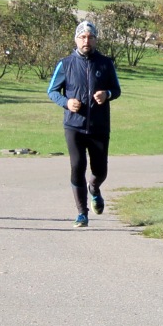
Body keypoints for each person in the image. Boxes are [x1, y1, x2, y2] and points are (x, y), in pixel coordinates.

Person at [46, 19, 121, 227]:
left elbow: (116, 89)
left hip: (99, 125)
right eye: (82, 37)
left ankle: (94, 188)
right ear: (76, 40)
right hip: (74, 126)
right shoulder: (65, 64)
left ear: (95, 40)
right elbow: (52, 91)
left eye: (90, 37)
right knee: (77, 166)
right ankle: (82, 213)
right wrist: (67, 102)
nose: (86, 41)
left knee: (100, 171)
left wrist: (107, 94)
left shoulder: (105, 63)